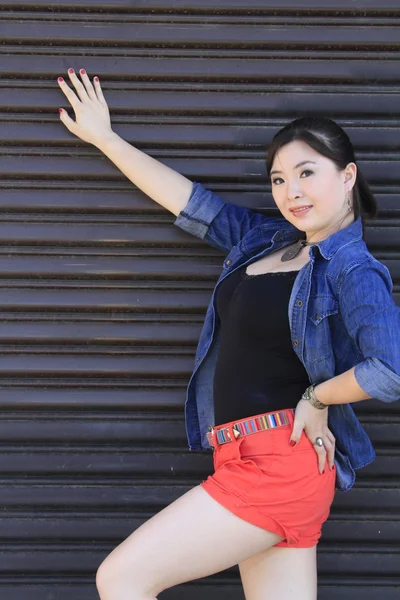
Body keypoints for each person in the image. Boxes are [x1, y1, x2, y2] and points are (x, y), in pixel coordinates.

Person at [56, 68, 400, 600]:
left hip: (281, 464)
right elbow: (188, 201)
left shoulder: (352, 268)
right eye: (280, 179)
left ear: (348, 175)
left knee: (121, 578)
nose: (292, 191)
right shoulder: (266, 241)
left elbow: (389, 370)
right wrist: (105, 138)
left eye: (307, 173)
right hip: (243, 454)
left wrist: (318, 396)